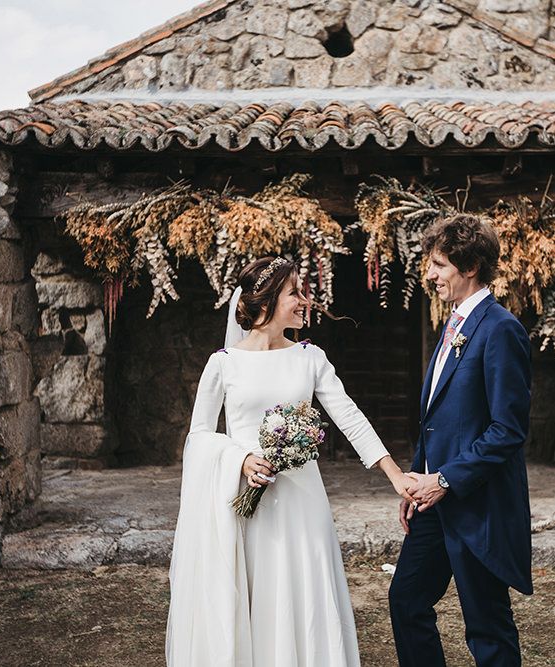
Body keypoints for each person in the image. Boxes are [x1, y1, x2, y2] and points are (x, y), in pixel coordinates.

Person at [166, 256, 414, 667]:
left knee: (303, 593)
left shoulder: (309, 357)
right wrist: (241, 458)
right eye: (294, 292)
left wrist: (394, 473)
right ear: (265, 302)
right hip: (246, 502)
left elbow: (349, 416)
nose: (304, 300)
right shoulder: (223, 364)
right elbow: (199, 437)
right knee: (255, 594)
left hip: (303, 502)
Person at [389, 214, 532, 667]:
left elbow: (507, 429)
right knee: (406, 601)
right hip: (432, 501)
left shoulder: (501, 328)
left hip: (477, 505)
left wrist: (446, 479)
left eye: (438, 265)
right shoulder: (452, 325)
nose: (429, 275)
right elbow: (437, 417)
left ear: (469, 266)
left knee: (487, 627)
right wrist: (417, 478)